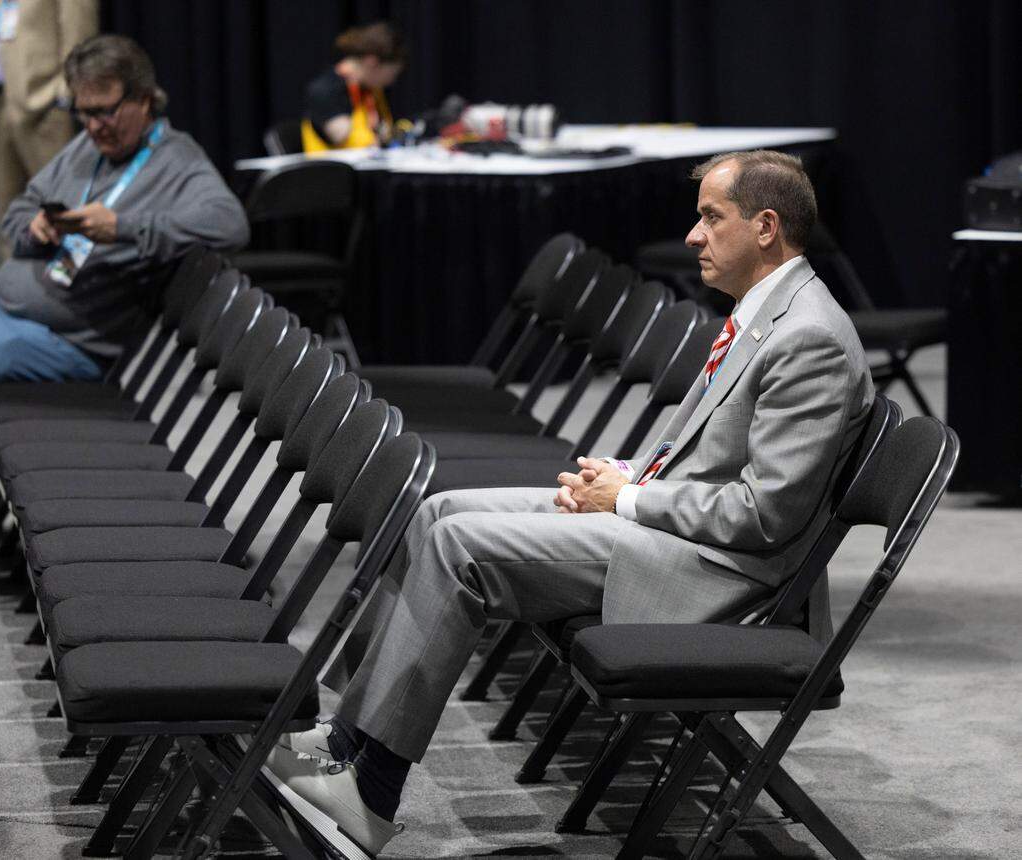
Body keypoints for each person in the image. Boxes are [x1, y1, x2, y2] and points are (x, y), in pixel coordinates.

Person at [264, 150, 875, 857]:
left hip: (724, 573)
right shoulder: (768, 309)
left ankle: (370, 789)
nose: (692, 235)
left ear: (766, 227)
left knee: (461, 548)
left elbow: (765, 517)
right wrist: (620, 478)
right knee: (439, 510)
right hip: (683, 531)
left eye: (711, 217)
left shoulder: (810, 339)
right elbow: (716, 459)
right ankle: (347, 739)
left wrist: (634, 500)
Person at [0, 34, 248, 531]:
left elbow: (231, 224)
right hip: (9, 302)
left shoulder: (178, 161)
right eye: (84, 113)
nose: (95, 126)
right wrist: (34, 229)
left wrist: (122, 227)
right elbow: (18, 211)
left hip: (70, 337)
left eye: (106, 111)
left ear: (144, 99)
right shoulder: (85, 148)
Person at [0, 0, 98, 224]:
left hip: (45, 102)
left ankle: (62, 261)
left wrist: (65, 93)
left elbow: (79, 35)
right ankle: (13, 260)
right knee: (10, 212)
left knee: (59, 206)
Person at [301, 21, 406, 152]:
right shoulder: (324, 89)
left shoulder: (370, 91)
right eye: (391, 74)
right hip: (330, 170)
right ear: (371, 62)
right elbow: (343, 136)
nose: (391, 81)